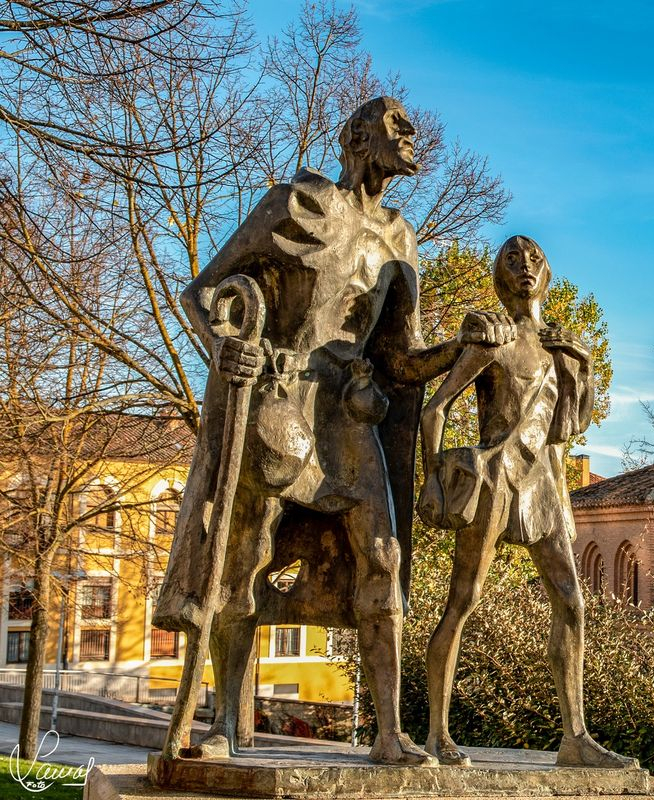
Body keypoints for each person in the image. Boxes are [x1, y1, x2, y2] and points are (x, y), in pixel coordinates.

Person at [154, 96, 512, 765]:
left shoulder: (400, 239)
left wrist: (464, 346)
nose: (412, 132)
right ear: (355, 136)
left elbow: (400, 360)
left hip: (348, 411)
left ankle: (387, 734)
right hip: (278, 401)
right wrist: (222, 344)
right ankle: (224, 723)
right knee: (246, 559)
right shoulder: (296, 204)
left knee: (385, 557)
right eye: (395, 122)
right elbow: (203, 293)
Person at [420, 235, 636, 769]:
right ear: (500, 276)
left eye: (534, 259)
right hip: (496, 478)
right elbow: (435, 410)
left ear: (547, 275)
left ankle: (575, 737)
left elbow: (570, 426)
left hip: (546, 482)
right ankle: (436, 736)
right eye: (512, 260)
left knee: (572, 604)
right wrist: (434, 477)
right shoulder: (491, 338)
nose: (524, 266)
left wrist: (582, 363)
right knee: (464, 599)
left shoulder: (560, 347)